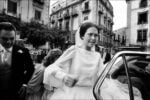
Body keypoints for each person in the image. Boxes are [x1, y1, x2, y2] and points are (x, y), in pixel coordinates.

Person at [43, 21, 104, 100]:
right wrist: (64, 77)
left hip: (90, 95)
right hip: (71, 95)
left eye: (96, 35)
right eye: (90, 34)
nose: (93, 38)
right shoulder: (74, 50)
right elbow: (51, 68)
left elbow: (100, 79)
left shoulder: (97, 56)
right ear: (82, 36)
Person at [0, 22, 35, 100]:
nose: (9, 41)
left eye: (12, 38)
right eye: (4, 38)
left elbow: (31, 68)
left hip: (16, 93)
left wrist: (24, 84)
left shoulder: (23, 51)